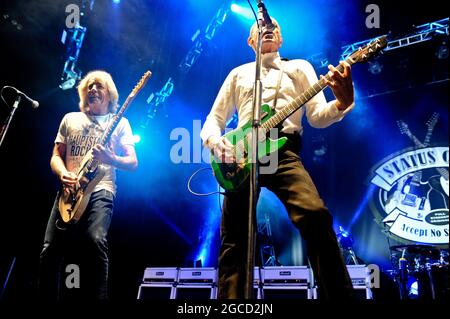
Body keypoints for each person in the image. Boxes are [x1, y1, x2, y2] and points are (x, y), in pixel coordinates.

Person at [200, 19, 356, 299]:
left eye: (273, 25)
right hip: (241, 156)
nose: (268, 25)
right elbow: (215, 117)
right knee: (234, 237)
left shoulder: (299, 68)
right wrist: (216, 142)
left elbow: (318, 116)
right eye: (261, 24)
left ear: (281, 39)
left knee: (315, 215)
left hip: (283, 153)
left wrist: (342, 103)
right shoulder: (238, 74)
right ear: (251, 41)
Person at [38, 70, 138, 300]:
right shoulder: (70, 119)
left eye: (99, 86)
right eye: (89, 86)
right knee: (49, 250)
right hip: (69, 192)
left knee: (95, 240)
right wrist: (63, 173)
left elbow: (133, 162)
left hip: (101, 188)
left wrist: (111, 159)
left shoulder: (120, 123)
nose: (93, 89)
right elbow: (55, 156)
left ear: (110, 95)